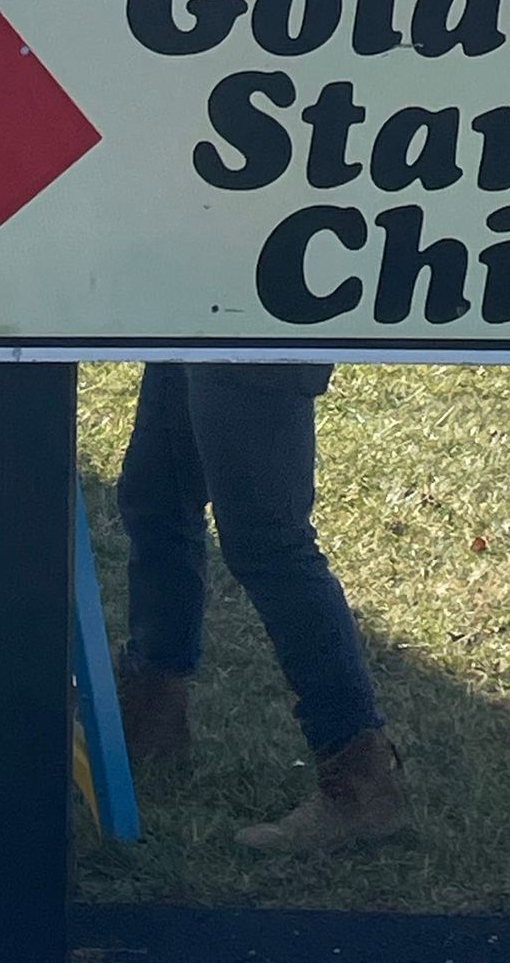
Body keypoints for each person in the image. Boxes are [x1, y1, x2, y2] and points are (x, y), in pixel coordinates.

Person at [114, 359, 408, 853]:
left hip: (252, 313)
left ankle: (361, 779)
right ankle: (149, 721)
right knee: (156, 498)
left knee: (268, 542)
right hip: (186, 302)